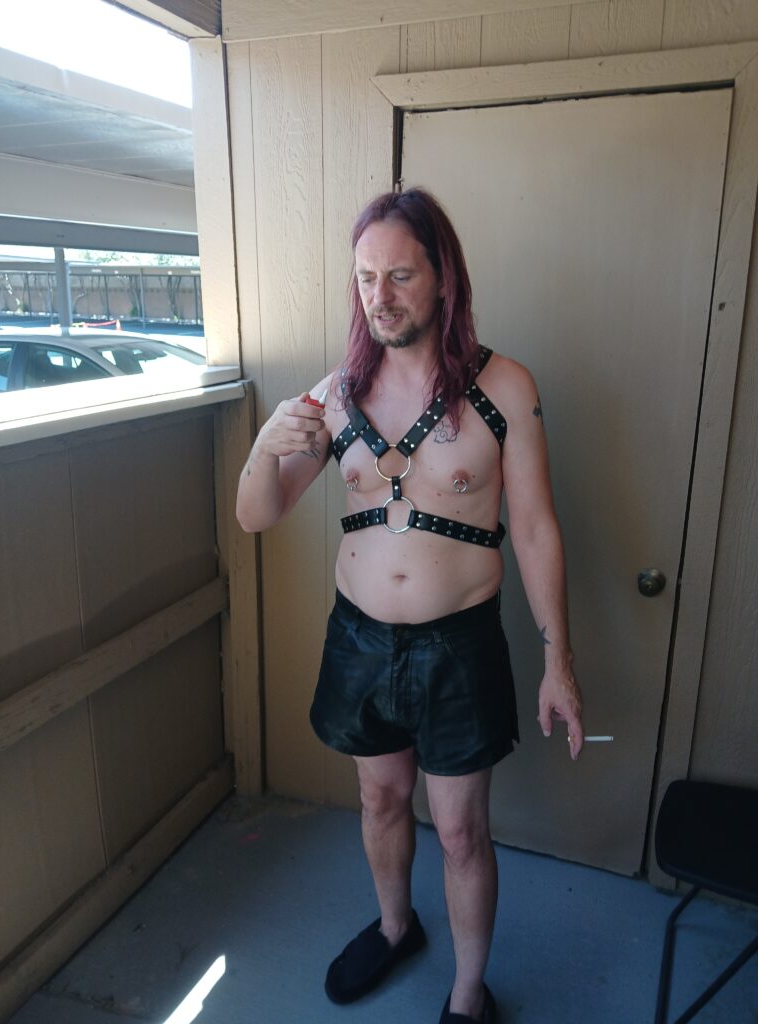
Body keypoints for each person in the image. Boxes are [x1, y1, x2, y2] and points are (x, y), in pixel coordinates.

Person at [236, 187, 583, 1024]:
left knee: (461, 833)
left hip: (459, 648)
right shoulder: (335, 397)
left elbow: (535, 529)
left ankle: (468, 994)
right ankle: (396, 928)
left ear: (443, 277)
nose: (379, 297)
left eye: (399, 275)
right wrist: (262, 447)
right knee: (381, 800)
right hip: (360, 644)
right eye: (365, 278)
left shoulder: (505, 387)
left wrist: (558, 662)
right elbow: (257, 514)